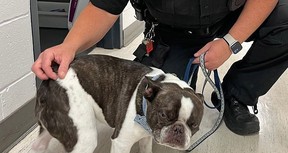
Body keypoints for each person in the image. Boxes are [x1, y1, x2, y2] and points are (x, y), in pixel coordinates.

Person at [32, 0, 288, 135]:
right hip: (171, 32)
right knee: (145, 111)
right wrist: (70, 46)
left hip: (229, 21)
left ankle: (236, 95)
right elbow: (103, 7)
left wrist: (230, 42)